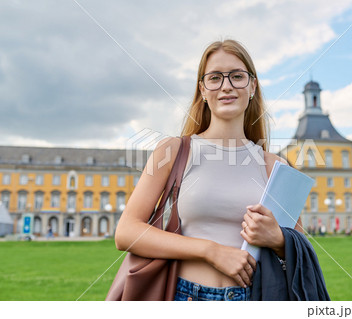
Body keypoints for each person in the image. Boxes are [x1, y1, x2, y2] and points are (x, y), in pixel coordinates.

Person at [114, 39, 304, 301]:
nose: (226, 86)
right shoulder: (173, 151)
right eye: (215, 78)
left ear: (252, 86)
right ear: (202, 89)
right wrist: (210, 251)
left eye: (237, 76)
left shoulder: (276, 166)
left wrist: (279, 239)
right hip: (185, 296)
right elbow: (126, 233)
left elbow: (301, 251)